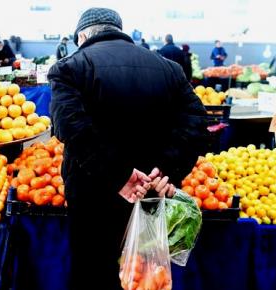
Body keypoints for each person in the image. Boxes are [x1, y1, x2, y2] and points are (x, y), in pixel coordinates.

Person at [48, 7, 208, 290]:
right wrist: (167, 170)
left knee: (91, 269)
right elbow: (195, 122)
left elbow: (70, 128)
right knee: (144, 274)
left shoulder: (70, 67)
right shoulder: (169, 68)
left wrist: (118, 175)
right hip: (150, 192)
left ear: (83, 35)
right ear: (119, 30)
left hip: (91, 192)